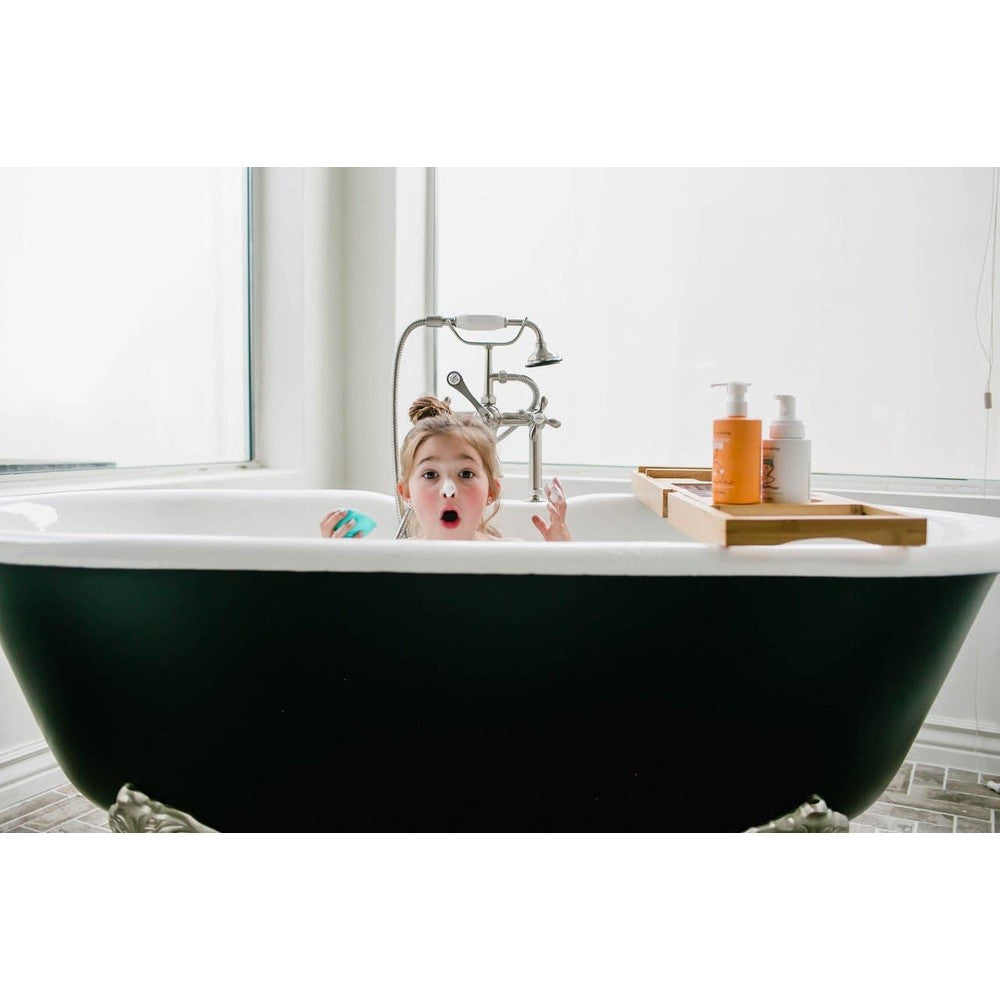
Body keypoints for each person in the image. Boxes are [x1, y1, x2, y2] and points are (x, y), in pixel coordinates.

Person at [320, 395, 571, 542]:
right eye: (430, 475)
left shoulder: (514, 556)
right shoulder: (393, 561)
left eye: (466, 474)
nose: (448, 490)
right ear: (405, 492)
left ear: (492, 491)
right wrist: (335, 563)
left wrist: (563, 557)